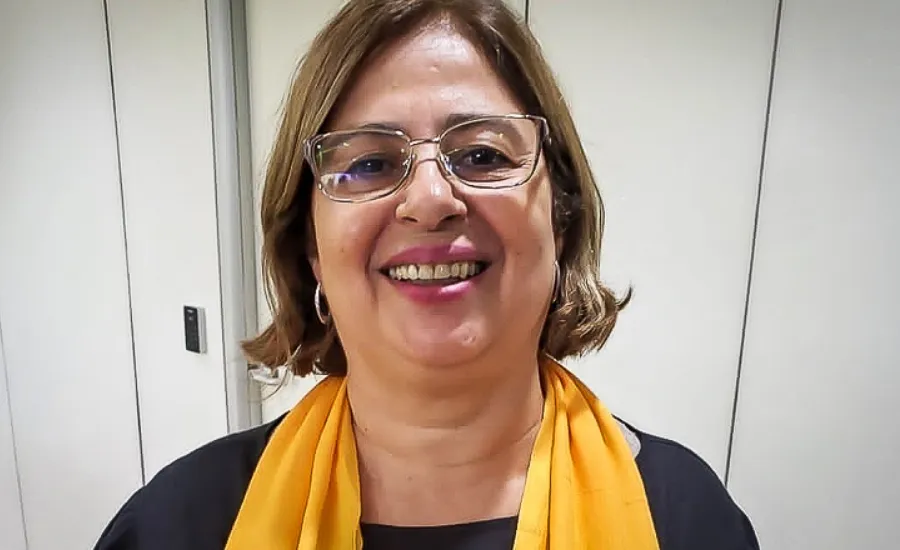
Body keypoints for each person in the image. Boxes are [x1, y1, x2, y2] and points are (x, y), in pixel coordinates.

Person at [95, 0, 759, 548]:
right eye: (370, 164)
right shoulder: (176, 525)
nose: (432, 200)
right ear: (311, 248)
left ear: (560, 221)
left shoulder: (688, 519)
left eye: (482, 154)